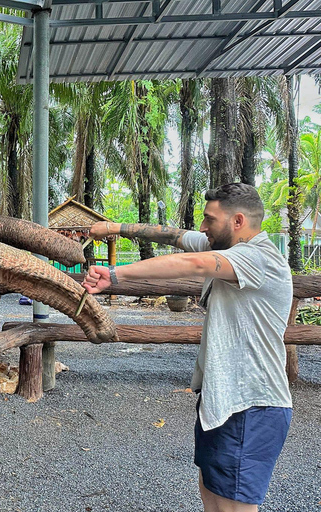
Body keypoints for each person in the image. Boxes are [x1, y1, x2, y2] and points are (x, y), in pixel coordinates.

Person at [84, 183, 292, 512]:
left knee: (232, 506)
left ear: (238, 221)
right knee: (212, 495)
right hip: (222, 401)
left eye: (209, 219)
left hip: (252, 404)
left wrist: (115, 273)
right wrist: (113, 228)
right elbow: (173, 236)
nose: (203, 227)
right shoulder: (226, 245)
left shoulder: (259, 257)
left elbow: (194, 264)